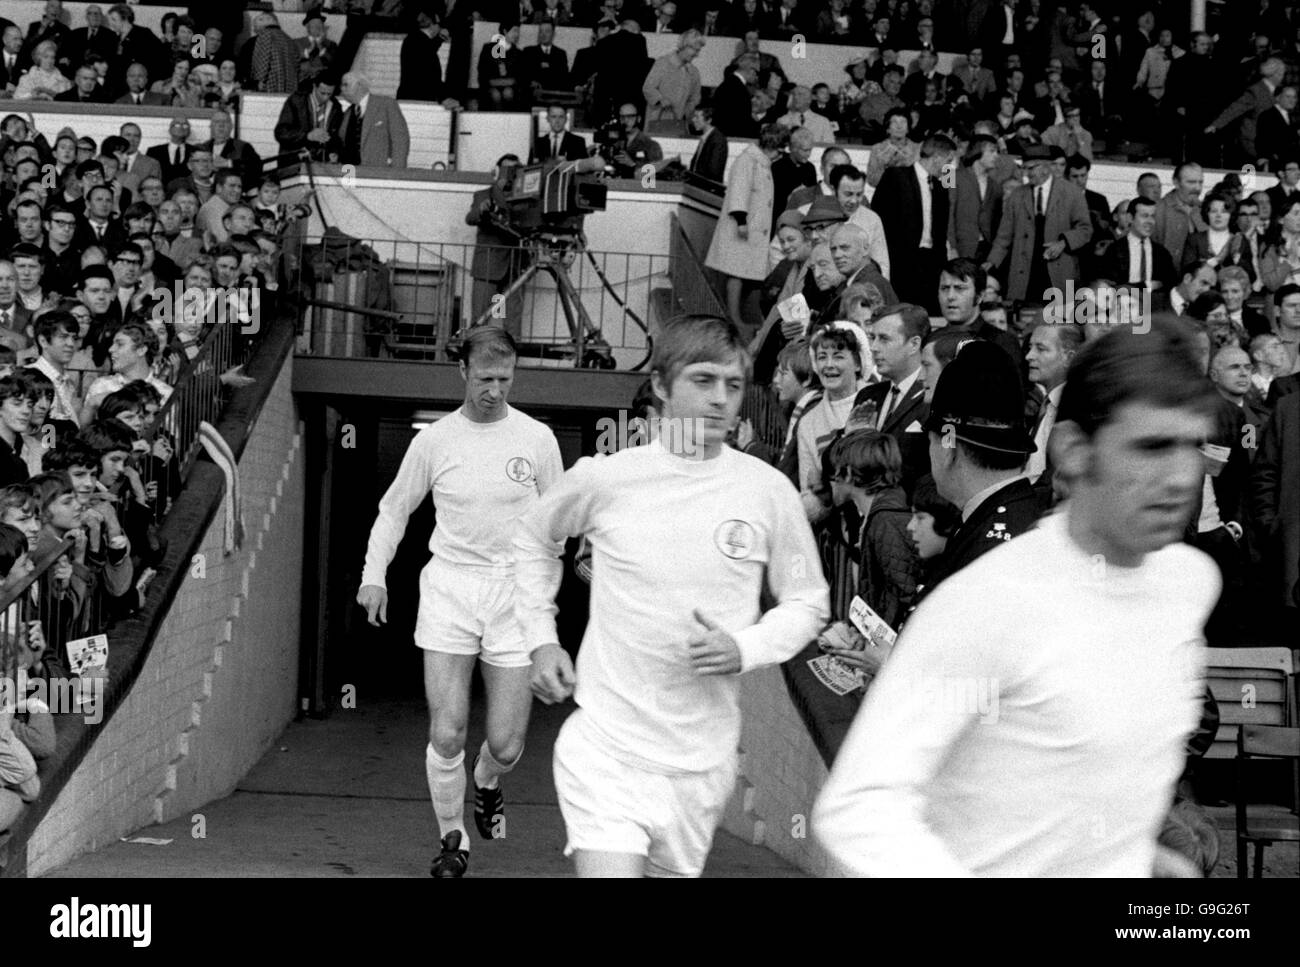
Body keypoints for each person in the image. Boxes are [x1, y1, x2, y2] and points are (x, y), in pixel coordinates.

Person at [814, 319, 1222, 877]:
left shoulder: (1189, 584)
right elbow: (858, 806)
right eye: (1151, 446)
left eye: (1192, 444)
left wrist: (1133, 856)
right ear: (1076, 450)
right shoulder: (988, 602)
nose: (1181, 477)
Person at [515, 314, 830, 877]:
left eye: (733, 387)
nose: (720, 401)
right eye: (703, 382)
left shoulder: (767, 492)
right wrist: (541, 640)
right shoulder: (607, 479)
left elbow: (809, 601)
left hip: (702, 764)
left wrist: (747, 646)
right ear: (660, 386)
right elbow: (533, 537)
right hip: (607, 749)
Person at [357, 327, 562, 878]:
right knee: (447, 730)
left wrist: (547, 596)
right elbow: (394, 509)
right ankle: (454, 838)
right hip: (450, 587)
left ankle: (487, 779)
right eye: (484, 379)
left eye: (505, 379)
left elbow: (557, 526)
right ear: (463, 374)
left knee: (507, 743)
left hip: (514, 592)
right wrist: (373, 575)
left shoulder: (538, 438)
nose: (495, 389)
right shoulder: (435, 440)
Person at [984, 144, 1092, 304]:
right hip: (1024, 271)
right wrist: (991, 263)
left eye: (1030, 168)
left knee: (1058, 319)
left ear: (1046, 167)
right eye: (1024, 169)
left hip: (1058, 272)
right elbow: (1003, 237)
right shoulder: (1017, 195)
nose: (1026, 174)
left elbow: (1085, 229)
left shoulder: (1072, 193)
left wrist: (1063, 243)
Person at [705, 124, 784, 338]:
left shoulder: (760, 162)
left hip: (753, 228)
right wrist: (741, 220)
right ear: (773, 146)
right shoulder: (747, 161)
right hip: (742, 227)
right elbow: (739, 192)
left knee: (745, 273)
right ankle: (734, 317)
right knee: (737, 272)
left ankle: (739, 315)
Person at [874, 135, 956, 313]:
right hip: (901, 262)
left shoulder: (942, 186)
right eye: (949, 161)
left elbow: (941, 230)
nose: (951, 167)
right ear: (937, 158)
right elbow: (879, 218)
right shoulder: (895, 176)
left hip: (931, 264)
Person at [466, 155, 528, 338]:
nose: (509, 175)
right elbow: (470, 217)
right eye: (506, 170)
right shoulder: (482, 195)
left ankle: (511, 358)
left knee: (513, 320)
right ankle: (475, 356)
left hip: (516, 267)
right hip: (488, 266)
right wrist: (482, 209)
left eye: (514, 170)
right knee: (479, 317)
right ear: (497, 171)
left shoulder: (525, 197)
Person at [338, 71, 410, 169]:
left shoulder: (386, 104)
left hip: (379, 172)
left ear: (360, 85)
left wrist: (397, 172)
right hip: (350, 174)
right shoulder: (348, 113)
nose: (341, 88)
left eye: (346, 84)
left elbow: (400, 140)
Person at [641, 29, 703, 135]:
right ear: (684, 46)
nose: (697, 54)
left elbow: (695, 98)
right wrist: (661, 99)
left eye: (699, 50)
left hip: (680, 125)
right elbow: (648, 88)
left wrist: (687, 111)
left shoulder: (694, 72)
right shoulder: (663, 63)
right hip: (657, 122)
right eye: (694, 49)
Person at [686, 104, 726, 188]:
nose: (693, 120)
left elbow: (713, 172)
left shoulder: (717, 140)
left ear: (709, 120)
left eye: (697, 117)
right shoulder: (707, 138)